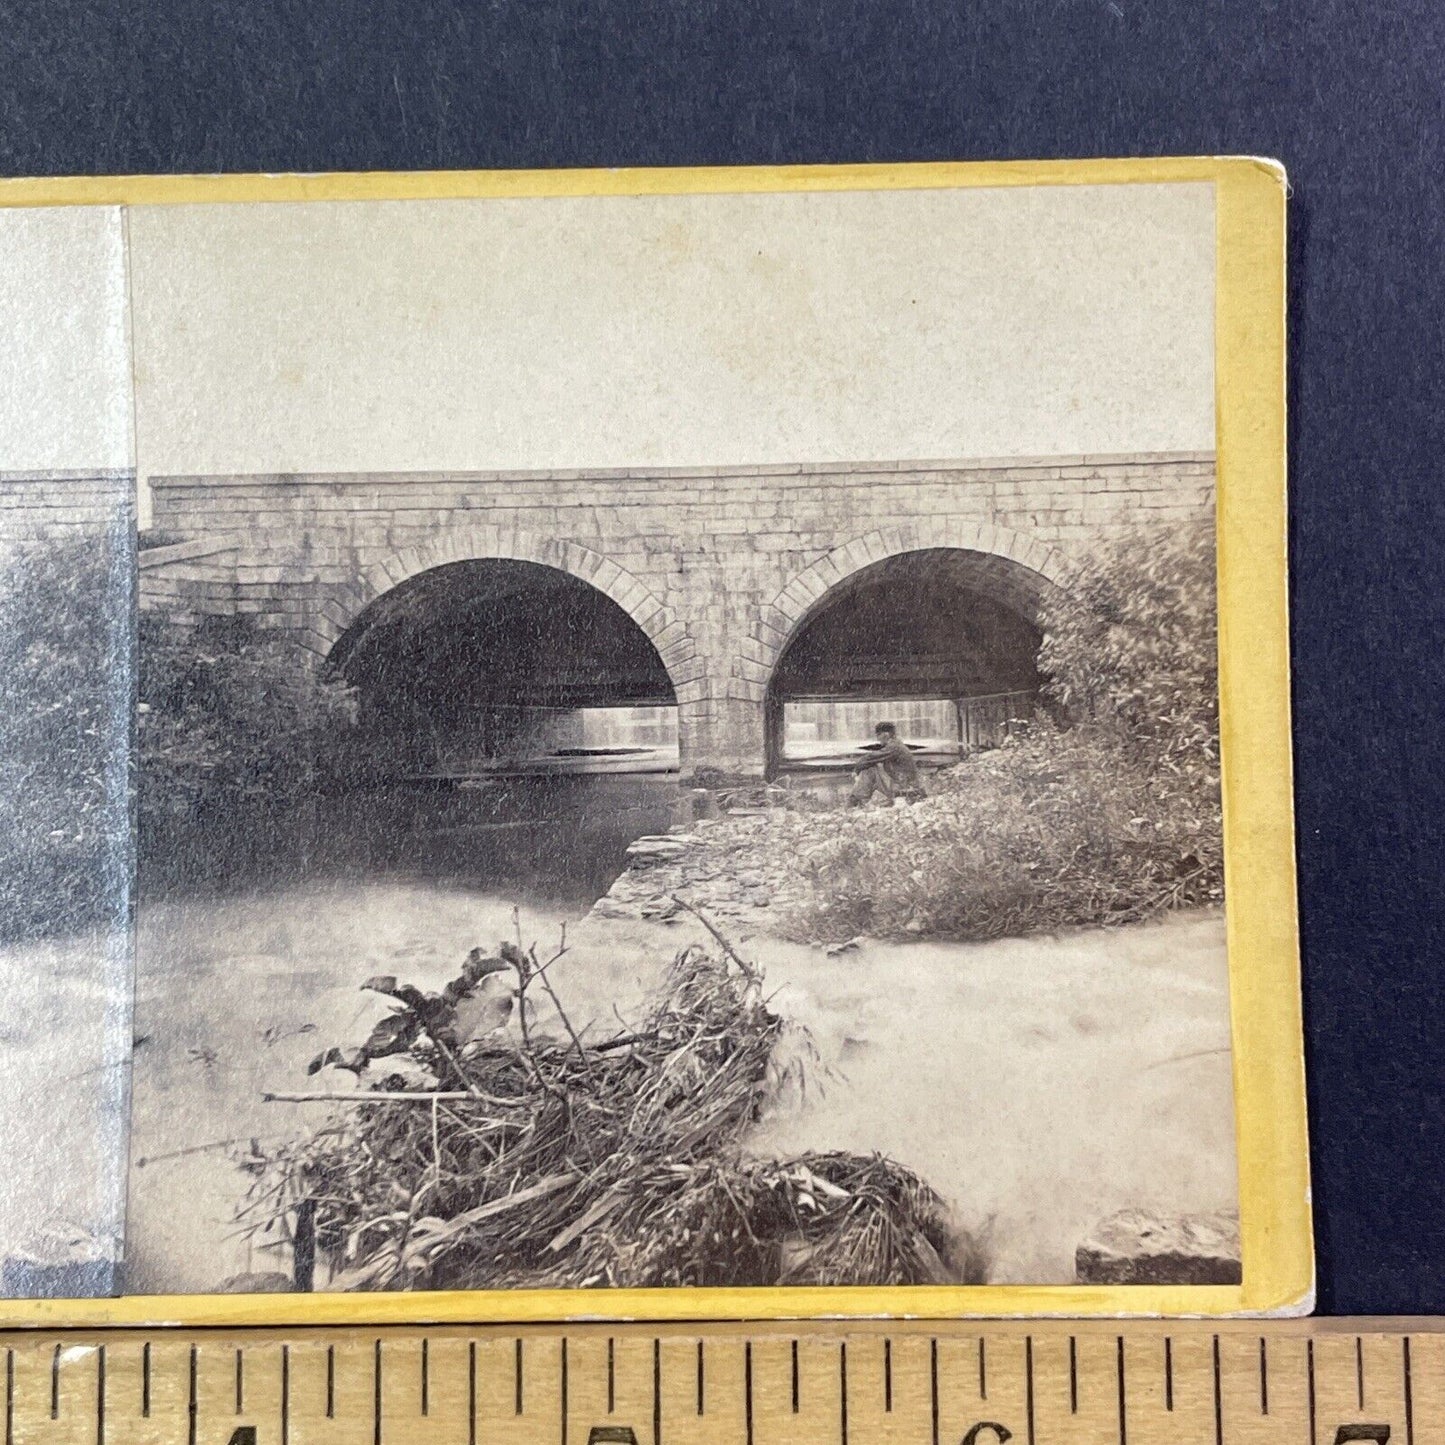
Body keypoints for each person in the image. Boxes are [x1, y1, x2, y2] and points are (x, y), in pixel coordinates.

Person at [847, 721, 926, 806]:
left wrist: (856, 770)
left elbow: (870, 757)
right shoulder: (897, 745)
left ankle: (854, 801)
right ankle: (858, 800)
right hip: (907, 787)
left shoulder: (894, 747)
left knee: (870, 770)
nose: (877, 739)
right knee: (873, 767)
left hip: (908, 790)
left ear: (886, 735)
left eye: (878, 735)